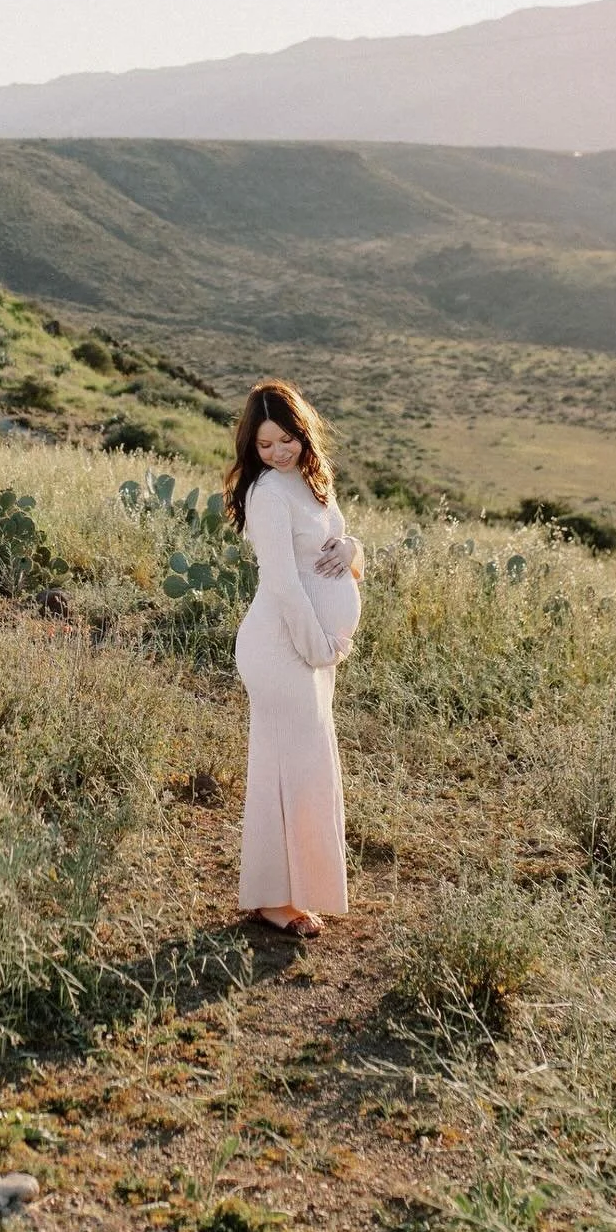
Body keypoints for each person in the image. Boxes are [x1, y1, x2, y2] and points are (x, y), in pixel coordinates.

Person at [224, 379, 364, 940]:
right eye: (265, 445)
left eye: (286, 439)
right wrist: (317, 647)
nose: (278, 452)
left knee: (306, 767)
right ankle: (272, 900)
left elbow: (343, 546)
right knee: (286, 768)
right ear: (251, 447)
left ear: (302, 433)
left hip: (311, 650)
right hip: (282, 647)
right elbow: (282, 585)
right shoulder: (268, 496)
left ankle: (295, 890)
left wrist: (353, 550)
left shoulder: (311, 482)